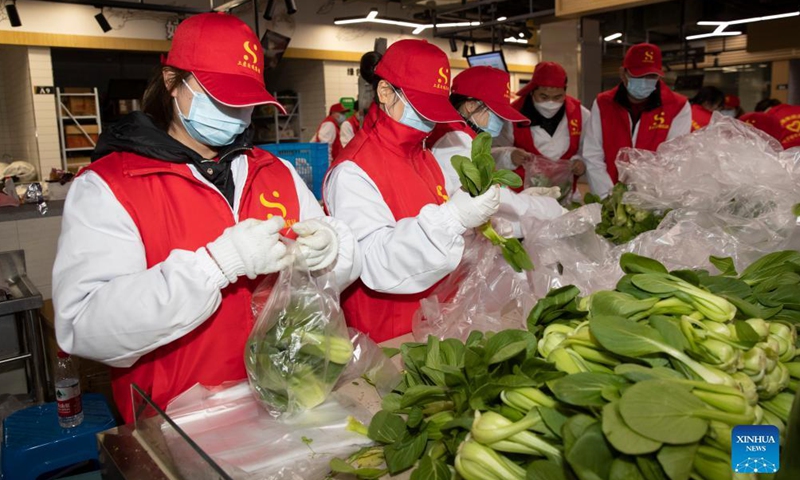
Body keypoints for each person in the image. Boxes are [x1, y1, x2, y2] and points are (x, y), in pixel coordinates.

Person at [52, 13, 360, 422]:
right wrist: (214, 266)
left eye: (246, 102)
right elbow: (84, 326)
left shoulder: (274, 171)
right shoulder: (109, 187)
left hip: (287, 404)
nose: (236, 114)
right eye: (221, 99)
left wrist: (332, 249)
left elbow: (336, 272)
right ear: (171, 82)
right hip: (179, 425)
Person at [324, 40, 501, 342]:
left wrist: (474, 230)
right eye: (421, 106)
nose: (430, 120)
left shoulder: (422, 155)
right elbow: (374, 262)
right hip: (387, 335)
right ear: (384, 93)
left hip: (430, 322)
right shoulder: (353, 170)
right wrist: (453, 218)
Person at [428, 66, 564, 238]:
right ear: (470, 105)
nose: (501, 122)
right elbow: (488, 196)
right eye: (497, 114)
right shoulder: (453, 141)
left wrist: (508, 157)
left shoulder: (460, 134)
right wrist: (545, 208)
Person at [583, 43, 691, 197]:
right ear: (623, 73)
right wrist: (608, 198)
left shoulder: (677, 106)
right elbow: (592, 154)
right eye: (639, 76)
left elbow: (674, 159)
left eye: (651, 76)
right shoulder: (603, 103)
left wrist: (648, 199)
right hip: (608, 192)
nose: (645, 81)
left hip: (654, 197)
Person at [505, 61, 592, 196]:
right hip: (522, 196)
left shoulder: (581, 114)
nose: (550, 102)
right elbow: (494, 150)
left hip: (565, 194)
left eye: (558, 97)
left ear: (565, 91)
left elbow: (589, 150)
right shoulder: (512, 115)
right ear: (532, 91)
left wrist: (580, 162)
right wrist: (509, 155)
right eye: (543, 97)